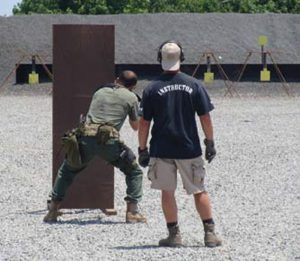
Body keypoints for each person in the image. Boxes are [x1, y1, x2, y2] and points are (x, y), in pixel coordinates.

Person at [138, 41, 221, 247]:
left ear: (160, 58)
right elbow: (205, 117)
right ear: (181, 58)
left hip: (161, 147)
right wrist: (209, 142)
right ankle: (209, 234)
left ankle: (174, 235)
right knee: (198, 189)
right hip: (189, 147)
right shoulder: (194, 84)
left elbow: (144, 123)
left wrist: (142, 148)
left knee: (167, 192)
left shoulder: (151, 88)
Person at [44, 70, 146, 224]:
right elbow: (135, 126)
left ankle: (52, 210)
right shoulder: (131, 98)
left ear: (117, 79)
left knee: (67, 171)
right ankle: (132, 212)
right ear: (133, 86)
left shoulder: (100, 91)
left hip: (85, 138)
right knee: (134, 172)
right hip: (109, 141)